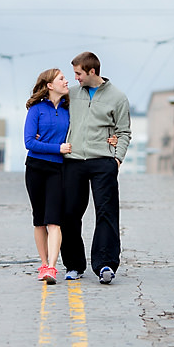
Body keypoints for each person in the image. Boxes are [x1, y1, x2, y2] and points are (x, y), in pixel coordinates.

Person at [60, 52, 131, 284]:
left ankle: (105, 264)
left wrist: (117, 158)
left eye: (78, 73)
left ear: (92, 71)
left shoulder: (118, 97)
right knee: (69, 213)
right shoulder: (70, 95)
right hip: (73, 161)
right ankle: (74, 265)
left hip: (103, 162)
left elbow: (123, 132)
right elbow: (52, 109)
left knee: (106, 213)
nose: (75, 78)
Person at [23, 68, 72, 285]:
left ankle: (52, 267)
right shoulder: (36, 110)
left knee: (54, 220)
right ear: (50, 85)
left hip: (58, 170)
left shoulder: (69, 110)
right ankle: (43, 263)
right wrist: (57, 148)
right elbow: (29, 143)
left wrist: (112, 138)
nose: (66, 81)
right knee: (39, 220)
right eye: (61, 78)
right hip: (35, 168)